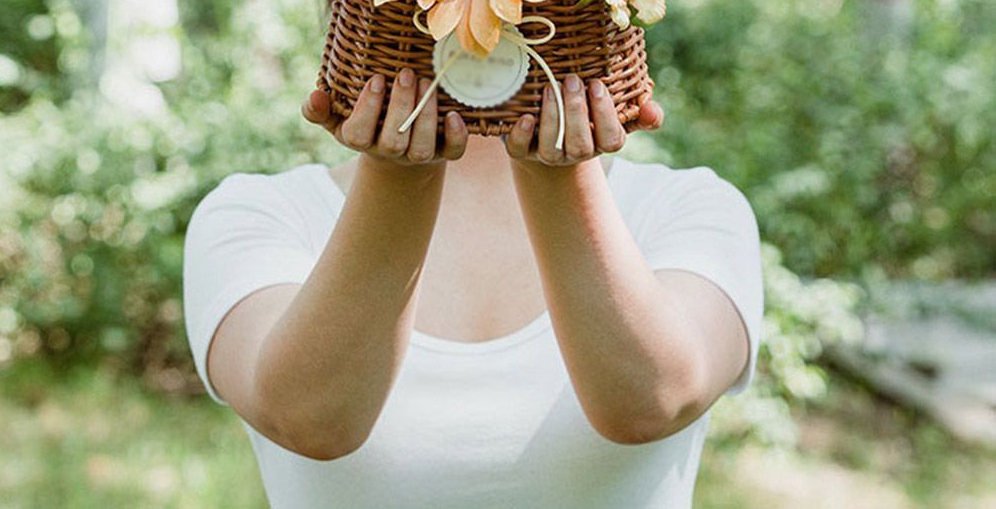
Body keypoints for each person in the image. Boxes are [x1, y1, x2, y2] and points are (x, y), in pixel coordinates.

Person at [183, 71, 763, 509]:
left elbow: (651, 402)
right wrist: (397, 173)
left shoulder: (689, 210)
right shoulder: (259, 216)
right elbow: (309, 419)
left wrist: (555, 167)